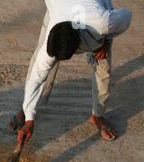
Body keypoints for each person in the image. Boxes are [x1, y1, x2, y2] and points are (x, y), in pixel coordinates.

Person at [9, 0, 132, 143]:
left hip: (95, 13)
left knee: (103, 70)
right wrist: (30, 119)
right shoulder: (53, 27)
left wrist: (106, 39)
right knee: (40, 62)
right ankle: (27, 108)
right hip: (59, 7)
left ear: (78, 47)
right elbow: (37, 78)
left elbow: (127, 15)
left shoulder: (103, 22)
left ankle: (97, 116)